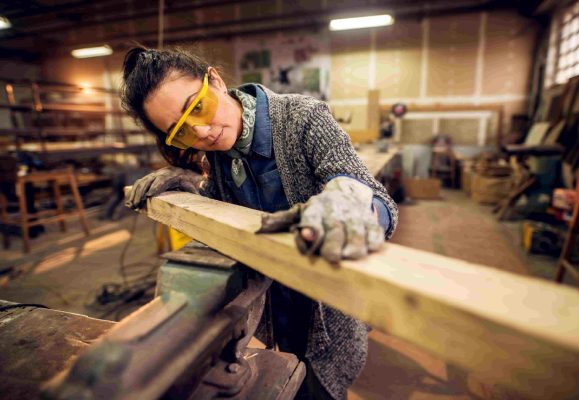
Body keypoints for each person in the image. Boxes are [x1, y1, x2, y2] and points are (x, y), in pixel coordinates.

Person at [121, 46, 398, 400]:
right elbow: (223, 212)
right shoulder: (219, 154)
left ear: (215, 80)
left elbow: (380, 202)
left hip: (330, 308)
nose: (201, 131)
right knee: (288, 377)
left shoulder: (303, 118)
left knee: (321, 389)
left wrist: (352, 204)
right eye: (181, 132)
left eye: (198, 107)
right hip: (277, 303)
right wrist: (185, 184)